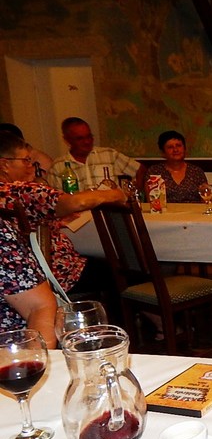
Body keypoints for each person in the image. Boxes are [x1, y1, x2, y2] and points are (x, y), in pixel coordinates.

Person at [1, 137, 127, 347]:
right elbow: (78, 202)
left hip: (25, 283)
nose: (31, 166)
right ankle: (116, 339)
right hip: (56, 277)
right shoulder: (22, 191)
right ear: (5, 164)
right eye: (25, 160)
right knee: (118, 270)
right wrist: (117, 193)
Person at [47, 117, 146, 192]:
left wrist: (133, 195)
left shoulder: (109, 154)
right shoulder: (58, 166)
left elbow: (139, 169)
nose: (87, 142)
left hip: (111, 210)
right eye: (80, 139)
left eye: (89, 136)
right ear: (67, 140)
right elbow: (54, 200)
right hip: (80, 212)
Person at [146, 130, 209, 203]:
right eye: (170, 147)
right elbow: (151, 202)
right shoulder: (154, 172)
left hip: (194, 210)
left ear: (184, 149)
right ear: (163, 152)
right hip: (164, 210)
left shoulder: (196, 172)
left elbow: (206, 199)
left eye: (178, 146)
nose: (175, 150)